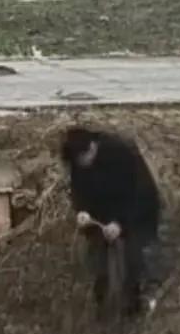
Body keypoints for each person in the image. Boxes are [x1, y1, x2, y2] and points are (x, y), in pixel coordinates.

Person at [59, 125, 163, 318]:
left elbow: (140, 195)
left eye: (82, 160)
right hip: (102, 216)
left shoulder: (122, 154)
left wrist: (120, 223)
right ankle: (101, 308)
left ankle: (136, 307)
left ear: (91, 148)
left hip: (136, 213)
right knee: (98, 261)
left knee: (135, 258)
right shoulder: (79, 161)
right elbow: (79, 190)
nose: (80, 166)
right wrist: (82, 211)